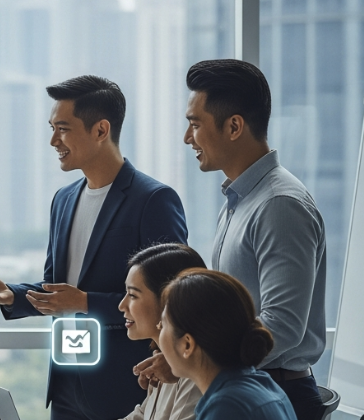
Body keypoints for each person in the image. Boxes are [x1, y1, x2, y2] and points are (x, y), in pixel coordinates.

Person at [0, 75, 188, 420]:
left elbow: (173, 299)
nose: (53, 140)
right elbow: (57, 287)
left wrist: (84, 302)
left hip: (125, 385)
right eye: (52, 128)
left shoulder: (153, 200)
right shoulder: (64, 199)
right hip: (66, 381)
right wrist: (11, 295)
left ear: (101, 130)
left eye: (63, 129)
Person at [137, 59, 327, 420]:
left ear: (234, 126)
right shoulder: (241, 200)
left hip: (272, 391)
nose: (187, 137)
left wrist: (194, 360)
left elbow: (282, 324)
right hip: (244, 386)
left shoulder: (279, 205)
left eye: (195, 124)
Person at [157, 268, 297, 420]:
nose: (158, 329)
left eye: (163, 325)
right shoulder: (262, 383)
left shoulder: (226, 407)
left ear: (187, 345)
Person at [117, 243, 206, 420]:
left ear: (169, 300)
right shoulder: (165, 364)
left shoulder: (195, 375)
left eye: (133, 295)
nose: (121, 306)